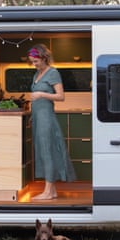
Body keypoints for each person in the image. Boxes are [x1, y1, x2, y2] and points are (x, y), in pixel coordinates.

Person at [28, 44, 76, 200]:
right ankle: (52, 191)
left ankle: (48, 191)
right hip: (38, 118)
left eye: (36, 61)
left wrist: (41, 94)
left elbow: (61, 96)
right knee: (43, 152)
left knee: (48, 152)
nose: (34, 64)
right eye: (32, 62)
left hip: (47, 118)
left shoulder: (53, 73)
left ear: (44, 58)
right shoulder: (37, 75)